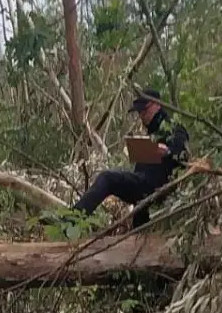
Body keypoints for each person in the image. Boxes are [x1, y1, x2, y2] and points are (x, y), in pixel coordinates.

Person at [67, 89, 189, 230]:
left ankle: (72, 220)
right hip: (144, 190)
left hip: (158, 188)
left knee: (107, 178)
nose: (142, 115)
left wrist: (167, 151)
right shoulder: (152, 132)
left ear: (157, 105)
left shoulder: (174, 127)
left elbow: (183, 154)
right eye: (139, 112)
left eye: (144, 111)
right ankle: (138, 232)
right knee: (138, 219)